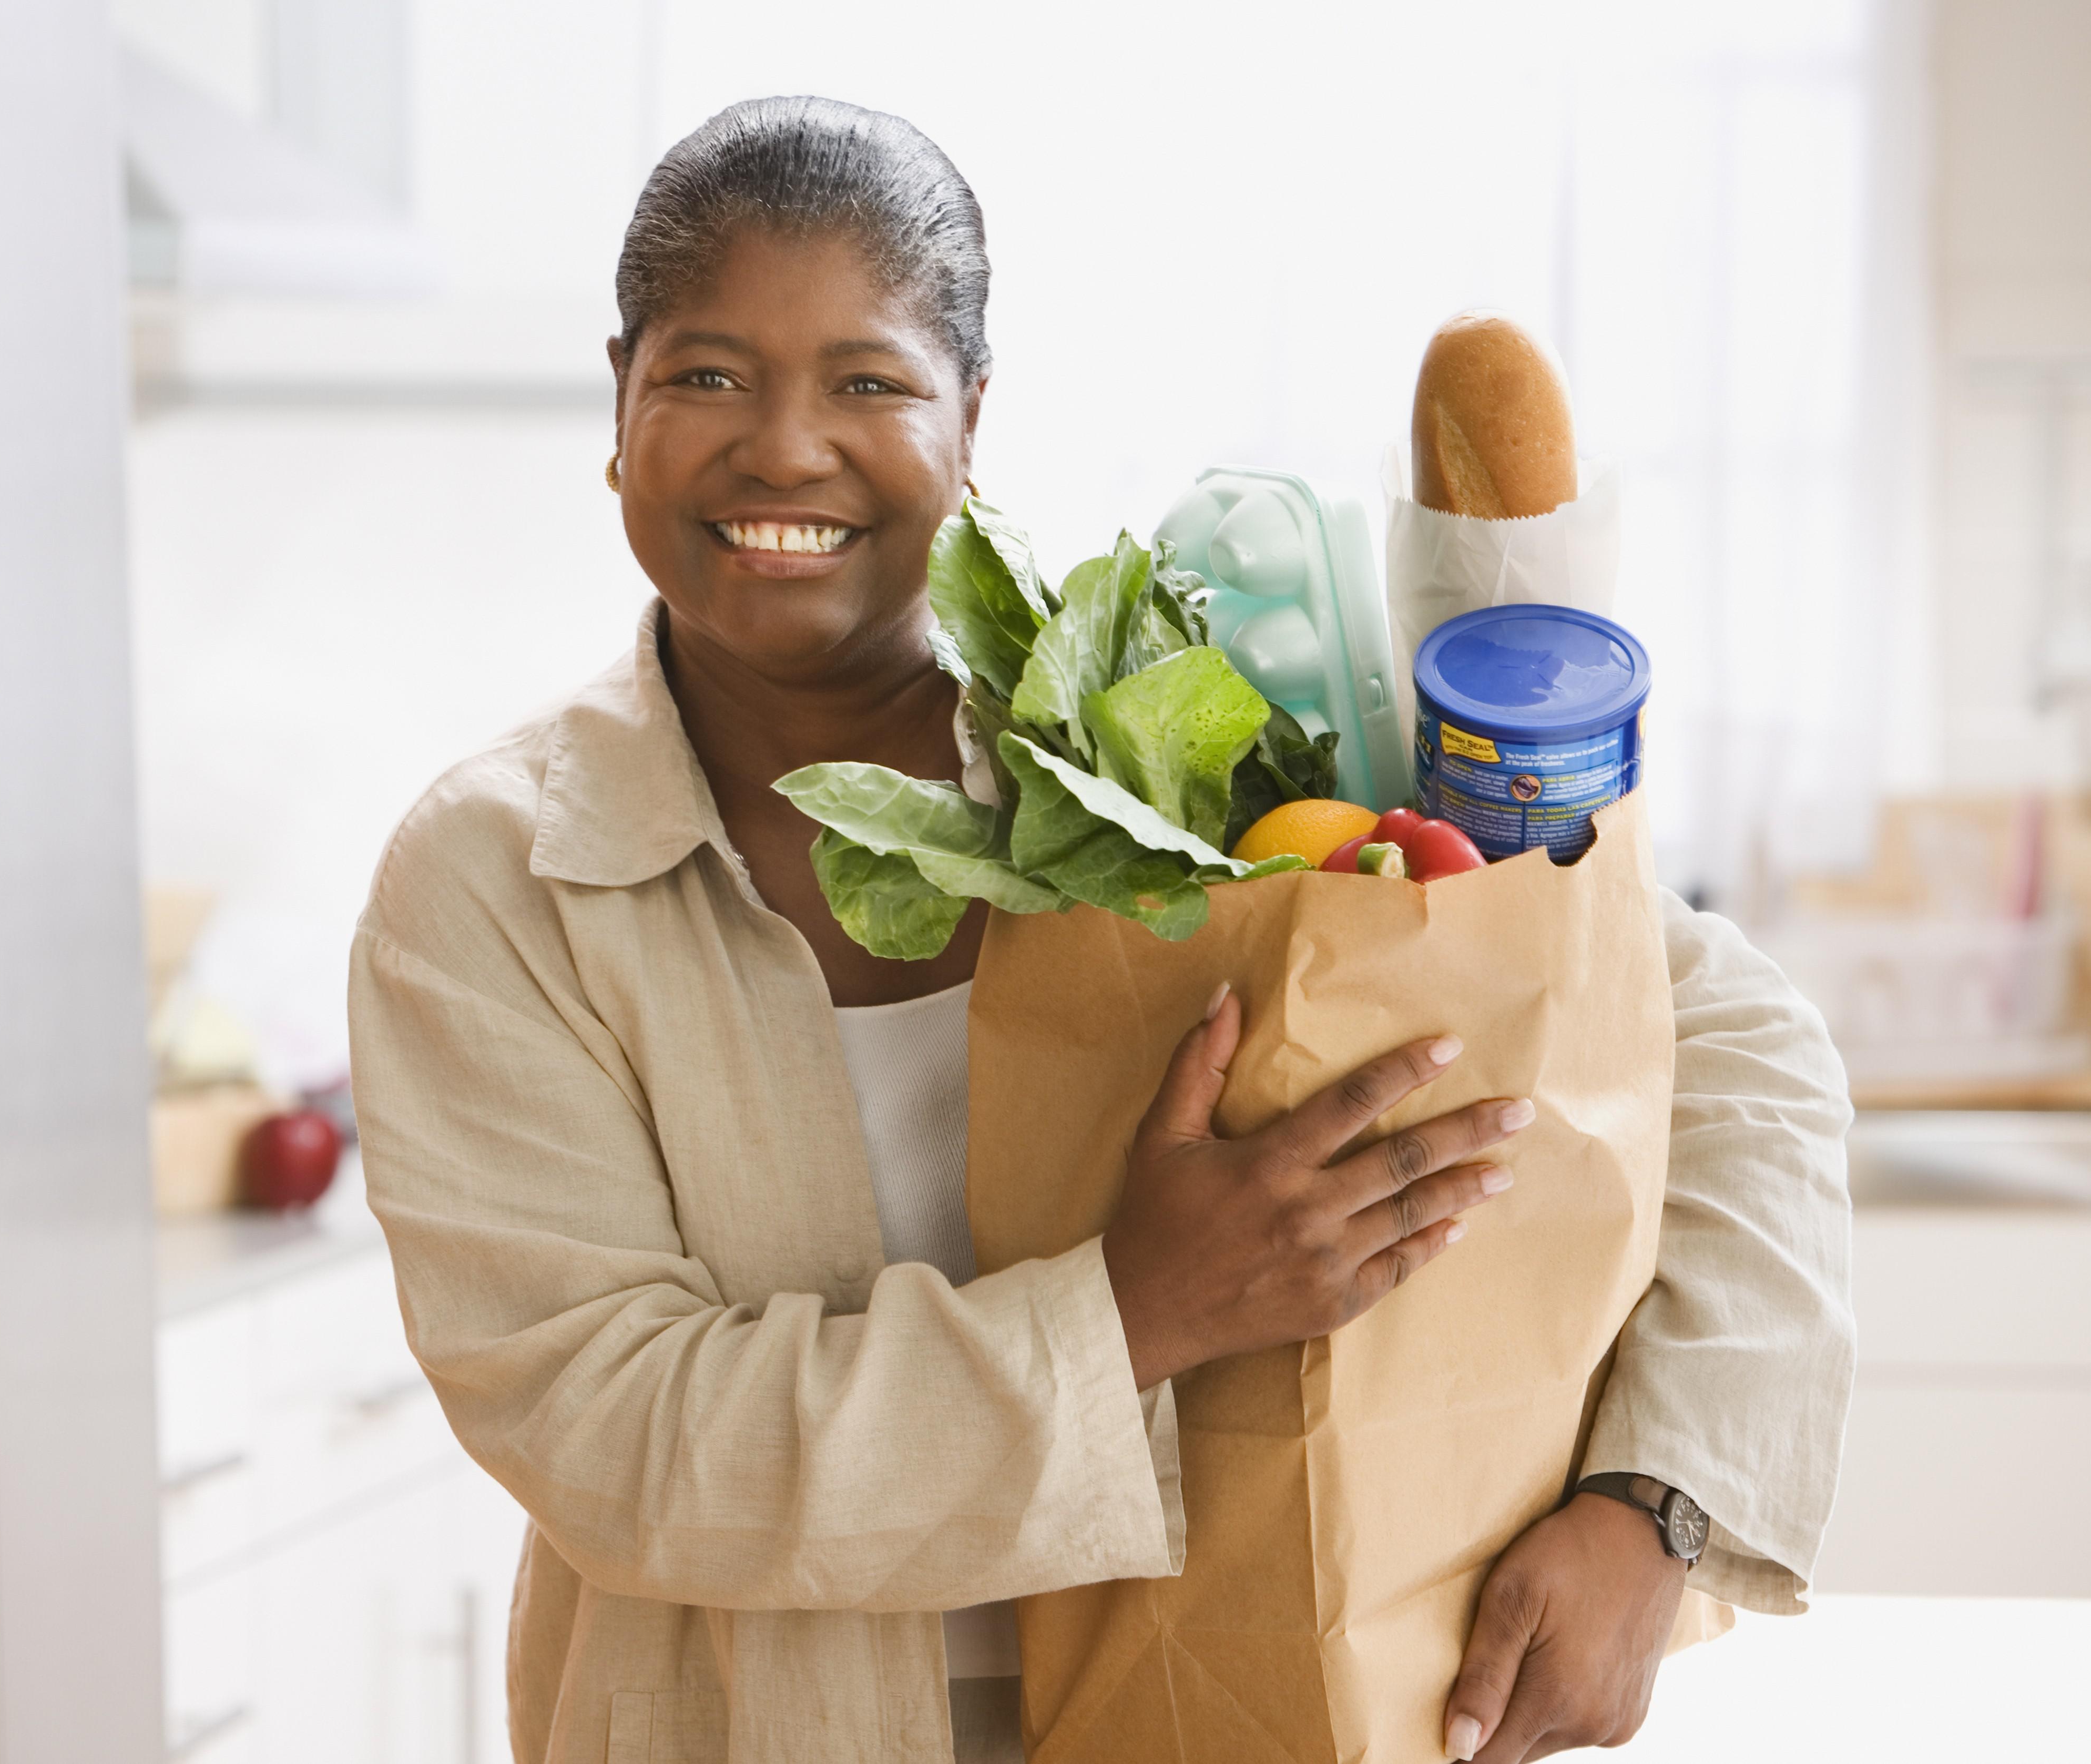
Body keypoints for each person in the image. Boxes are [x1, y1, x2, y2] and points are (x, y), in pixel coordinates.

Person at [350, 96, 1853, 1764]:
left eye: (869, 380)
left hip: (1247, 1697)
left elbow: (1735, 1042)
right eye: (707, 375)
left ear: (971, 419)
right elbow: (621, 1436)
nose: (784, 445)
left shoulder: (1173, 737)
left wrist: (1661, 1504)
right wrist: (1134, 1308)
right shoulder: (494, 880)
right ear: (618, 410)